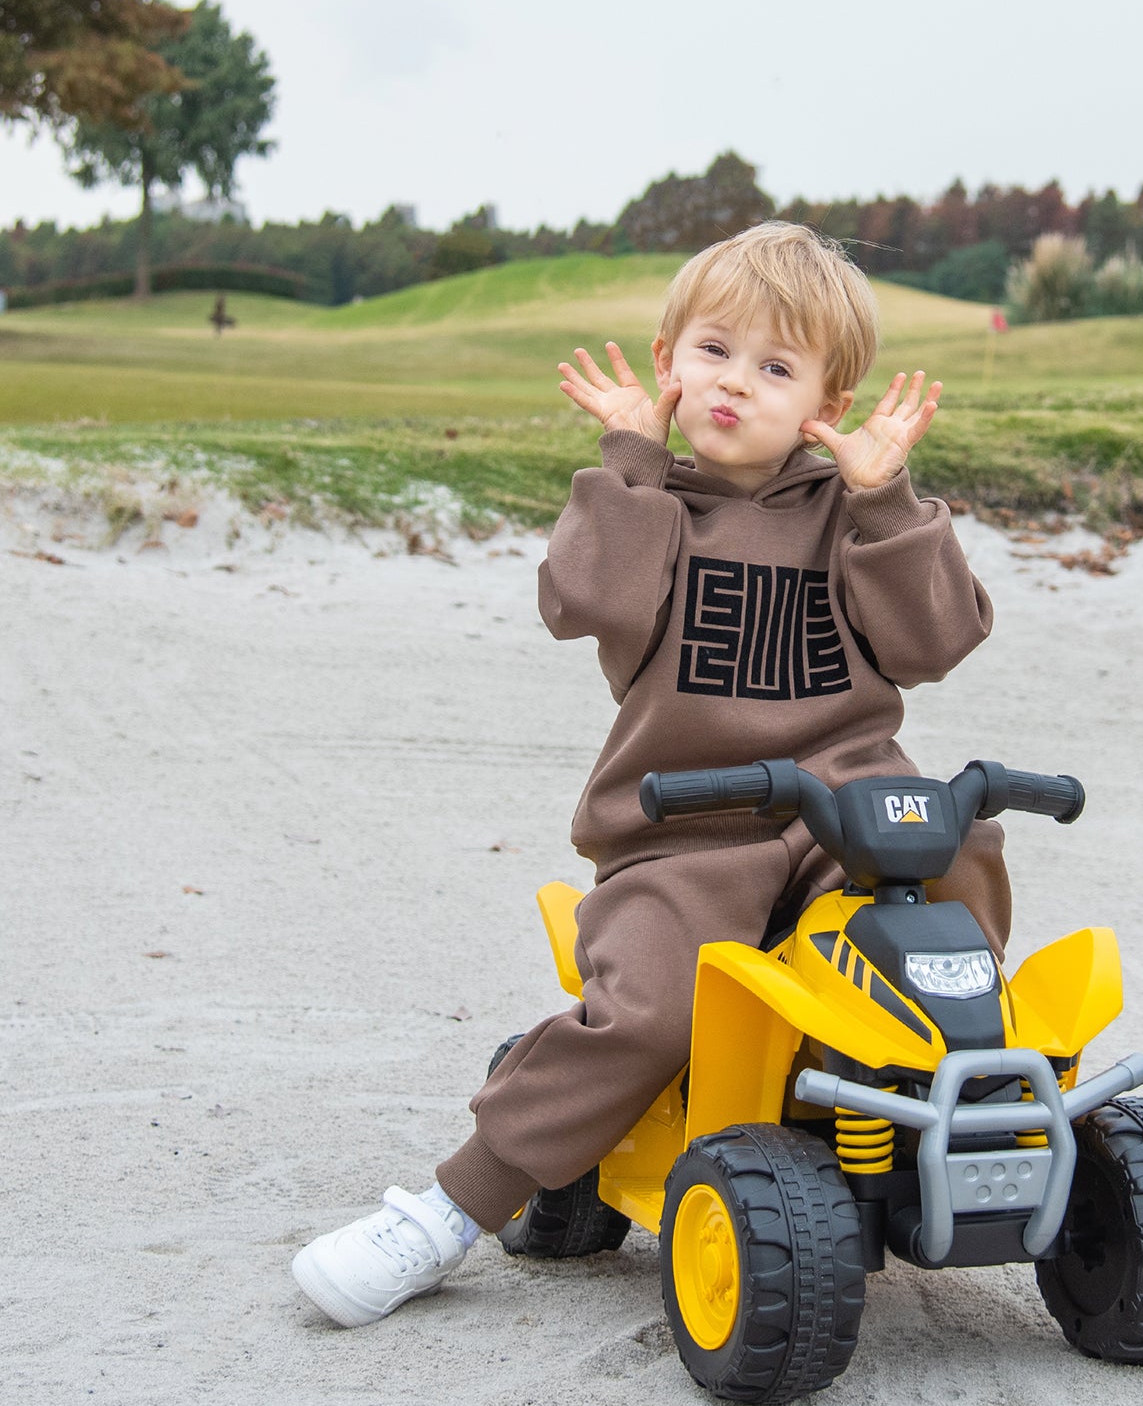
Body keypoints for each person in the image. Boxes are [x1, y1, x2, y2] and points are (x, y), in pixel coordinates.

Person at [291, 222, 1011, 1327]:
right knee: (652, 1015)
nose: (736, 383)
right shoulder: (649, 507)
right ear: (669, 357)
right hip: (688, 829)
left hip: (847, 815)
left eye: (776, 368)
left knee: (957, 853)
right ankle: (447, 1210)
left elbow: (937, 642)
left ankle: (948, 1094)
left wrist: (885, 501)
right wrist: (627, 462)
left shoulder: (853, 513)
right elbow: (582, 602)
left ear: (829, 399)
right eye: (715, 351)